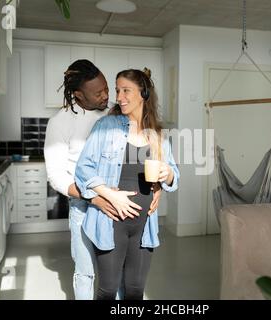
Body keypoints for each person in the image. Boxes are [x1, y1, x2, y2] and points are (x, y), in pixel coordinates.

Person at [44, 60, 162, 300]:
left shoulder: (114, 112)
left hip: (118, 209)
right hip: (84, 208)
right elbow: (56, 177)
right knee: (86, 273)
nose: (107, 95)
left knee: (115, 276)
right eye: (98, 93)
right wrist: (96, 197)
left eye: (107, 88)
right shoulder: (60, 123)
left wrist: (156, 184)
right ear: (78, 94)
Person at [75, 68, 180, 300]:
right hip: (111, 222)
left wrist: (168, 173)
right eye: (117, 90)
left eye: (126, 91)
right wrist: (110, 196)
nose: (119, 97)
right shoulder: (106, 126)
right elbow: (83, 169)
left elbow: (174, 177)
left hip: (145, 225)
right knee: (108, 290)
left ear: (143, 93)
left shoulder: (158, 135)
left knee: (135, 291)